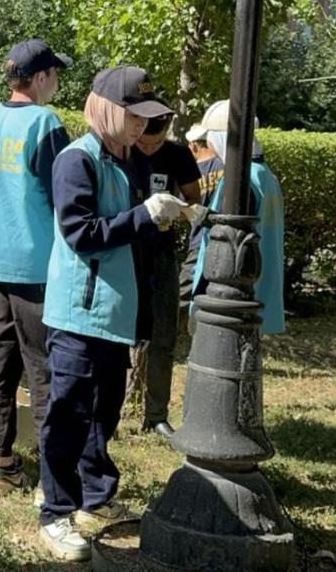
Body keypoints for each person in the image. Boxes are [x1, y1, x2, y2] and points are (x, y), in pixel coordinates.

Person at [36, 66, 189, 561]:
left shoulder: (127, 160)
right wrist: (145, 215)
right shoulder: (75, 160)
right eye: (135, 115)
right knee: (69, 413)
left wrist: (167, 217)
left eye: (150, 117)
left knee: (103, 414)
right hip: (79, 314)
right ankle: (55, 512)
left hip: (115, 313)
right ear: (106, 109)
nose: (144, 125)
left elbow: (130, 234)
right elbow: (81, 233)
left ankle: (95, 499)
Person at [0, 39, 71, 496]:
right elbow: (65, 194)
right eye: (56, 74)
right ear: (42, 77)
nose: (58, 83)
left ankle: (2, 465)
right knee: (46, 370)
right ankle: (55, 475)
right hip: (38, 265)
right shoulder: (46, 123)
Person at [127, 109, 201, 438]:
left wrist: (178, 211)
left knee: (163, 339)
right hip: (125, 252)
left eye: (155, 142)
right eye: (143, 141)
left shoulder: (177, 154)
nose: (147, 148)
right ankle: (109, 413)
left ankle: (156, 415)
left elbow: (195, 200)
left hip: (161, 254)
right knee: (118, 338)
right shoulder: (122, 149)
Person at [191, 99, 285, 335]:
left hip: (231, 295)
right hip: (259, 289)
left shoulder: (240, 181)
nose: (209, 146)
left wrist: (196, 214)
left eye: (211, 139)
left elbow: (229, 232)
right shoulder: (266, 175)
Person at [180, 123, 224, 310]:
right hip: (225, 242)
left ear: (194, 145)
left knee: (182, 292)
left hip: (201, 242)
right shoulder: (226, 166)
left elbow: (183, 211)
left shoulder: (191, 174)